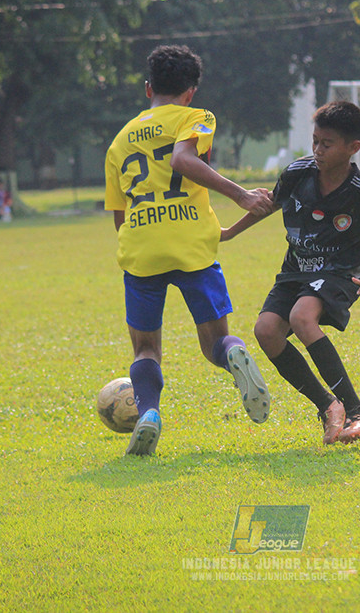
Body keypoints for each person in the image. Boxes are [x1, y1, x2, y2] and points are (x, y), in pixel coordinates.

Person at [104, 44, 275, 456]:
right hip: (193, 246)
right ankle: (234, 354)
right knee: (215, 342)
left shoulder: (120, 140)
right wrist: (241, 195)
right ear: (191, 92)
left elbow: (118, 216)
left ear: (148, 89)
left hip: (141, 249)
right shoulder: (196, 118)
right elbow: (183, 160)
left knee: (146, 349)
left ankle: (148, 412)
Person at [221, 101, 360, 446]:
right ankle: (328, 406)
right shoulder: (297, 173)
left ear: (353, 148)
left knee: (302, 317)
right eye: (315, 141)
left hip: (340, 271)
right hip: (295, 271)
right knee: (266, 330)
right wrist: (229, 232)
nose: (318, 150)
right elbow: (270, 203)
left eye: (327, 144)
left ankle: (358, 410)